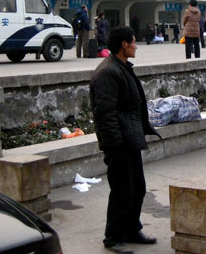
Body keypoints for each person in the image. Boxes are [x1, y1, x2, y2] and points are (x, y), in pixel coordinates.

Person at [89, 26, 160, 253]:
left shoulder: (121, 67)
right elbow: (105, 113)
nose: (136, 46)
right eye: (134, 42)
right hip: (118, 143)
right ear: (124, 45)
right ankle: (113, 237)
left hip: (130, 138)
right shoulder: (108, 72)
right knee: (122, 191)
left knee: (137, 188)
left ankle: (131, 229)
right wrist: (115, 143)